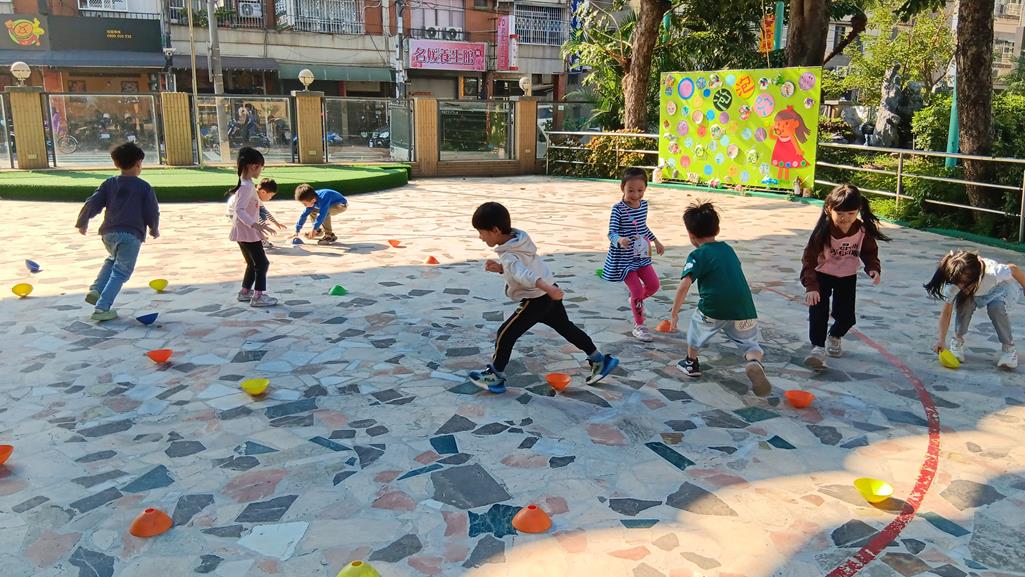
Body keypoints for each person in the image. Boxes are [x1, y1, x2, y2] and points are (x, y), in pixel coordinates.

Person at [469, 202, 620, 393]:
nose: (480, 237)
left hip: (538, 299)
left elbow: (525, 274)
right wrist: (501, 269)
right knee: (566, 327)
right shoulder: (519, 240)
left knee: (505, 334)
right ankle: (599, 360)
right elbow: (521, 268)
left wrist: (546, 287)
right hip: (549, 293)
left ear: (495, 230)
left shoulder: (508, 256)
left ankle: (494, 375)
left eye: (481, 232)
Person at [669, 201, 771, 396]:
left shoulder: (697, 255)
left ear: (690, 234)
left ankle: (691, 363)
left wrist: (674, 314)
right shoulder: (728, 249)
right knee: (750, 344)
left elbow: (684, 286)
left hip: (714, 307)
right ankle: (754, 362)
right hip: (744, 307)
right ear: (717, 229)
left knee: (696, 327)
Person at [801, 184, 890, 369]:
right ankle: (817, 348)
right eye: (840, 213)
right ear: (829, 209)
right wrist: (811, 286)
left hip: (847, 276)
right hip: (822, 275)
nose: (845, 218)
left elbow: (869, 252)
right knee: (818, 312)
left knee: (847, 317)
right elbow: (809, 258)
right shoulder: (823, 231)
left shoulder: (862, 230)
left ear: (858, 210)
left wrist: (873, 268)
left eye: (851, 213)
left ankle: (835, 335)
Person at [75, 142, 159, 322]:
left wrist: (83, 221)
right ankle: (102, 308)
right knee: (122, 271)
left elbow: (92, 202)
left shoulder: (109, 183)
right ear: (139, 163)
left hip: (109, 234)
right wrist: (154, 228)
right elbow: (152, 211)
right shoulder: (144, 187)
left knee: (112, 259)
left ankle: (97, 289)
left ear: (116, 163)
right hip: (131, 235)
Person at [925, 250, 1024, 370]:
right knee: (964, 305)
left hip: (996, 290)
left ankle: (1009, 348)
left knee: (996, 308)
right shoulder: (956, 284)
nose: (961, 287)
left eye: (965, 284)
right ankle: (957, 341)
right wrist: (941, 340)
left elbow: (1013, 269)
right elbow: (946, 313)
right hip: (974, 293)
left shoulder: (994, 272)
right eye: (959, 284)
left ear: (977, 277)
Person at [602, 167, 665, 342]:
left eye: (640, 190)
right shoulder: (618, 209)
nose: (636, 195)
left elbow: (643, 227)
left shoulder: (644, 205)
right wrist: (619, 239)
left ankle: (635, 300)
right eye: (631, 190)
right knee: (636, 289)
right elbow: (611, 233)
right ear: (622, 187)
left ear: (645, 188)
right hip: (624, 259)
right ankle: (639, 325)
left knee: (653, 285)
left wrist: (656, 241)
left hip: (641, 255)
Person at [229, 147, 278, 307]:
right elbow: (239, 210)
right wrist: (255, 225)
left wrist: (258, 225)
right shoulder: (247, 186)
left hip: (243, 232)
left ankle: (245, 292)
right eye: (261, 167)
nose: (261, 171)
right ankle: (258, 297)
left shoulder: (246, 183)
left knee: (252, 263)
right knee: (262, 264)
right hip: (248, 232)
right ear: (254, 166)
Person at [227, 178, 286, 249]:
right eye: (270, 195)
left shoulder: (256, 195)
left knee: (261, 214)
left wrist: (276, 223)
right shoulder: (253, 198)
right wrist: (264, 227)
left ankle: (256, 237)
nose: (270, 198)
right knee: (253, 225)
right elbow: (255, 217)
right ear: (263, 192)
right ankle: (260, 240)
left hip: (240, 212)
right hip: (234, 214)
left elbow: (265, 211)